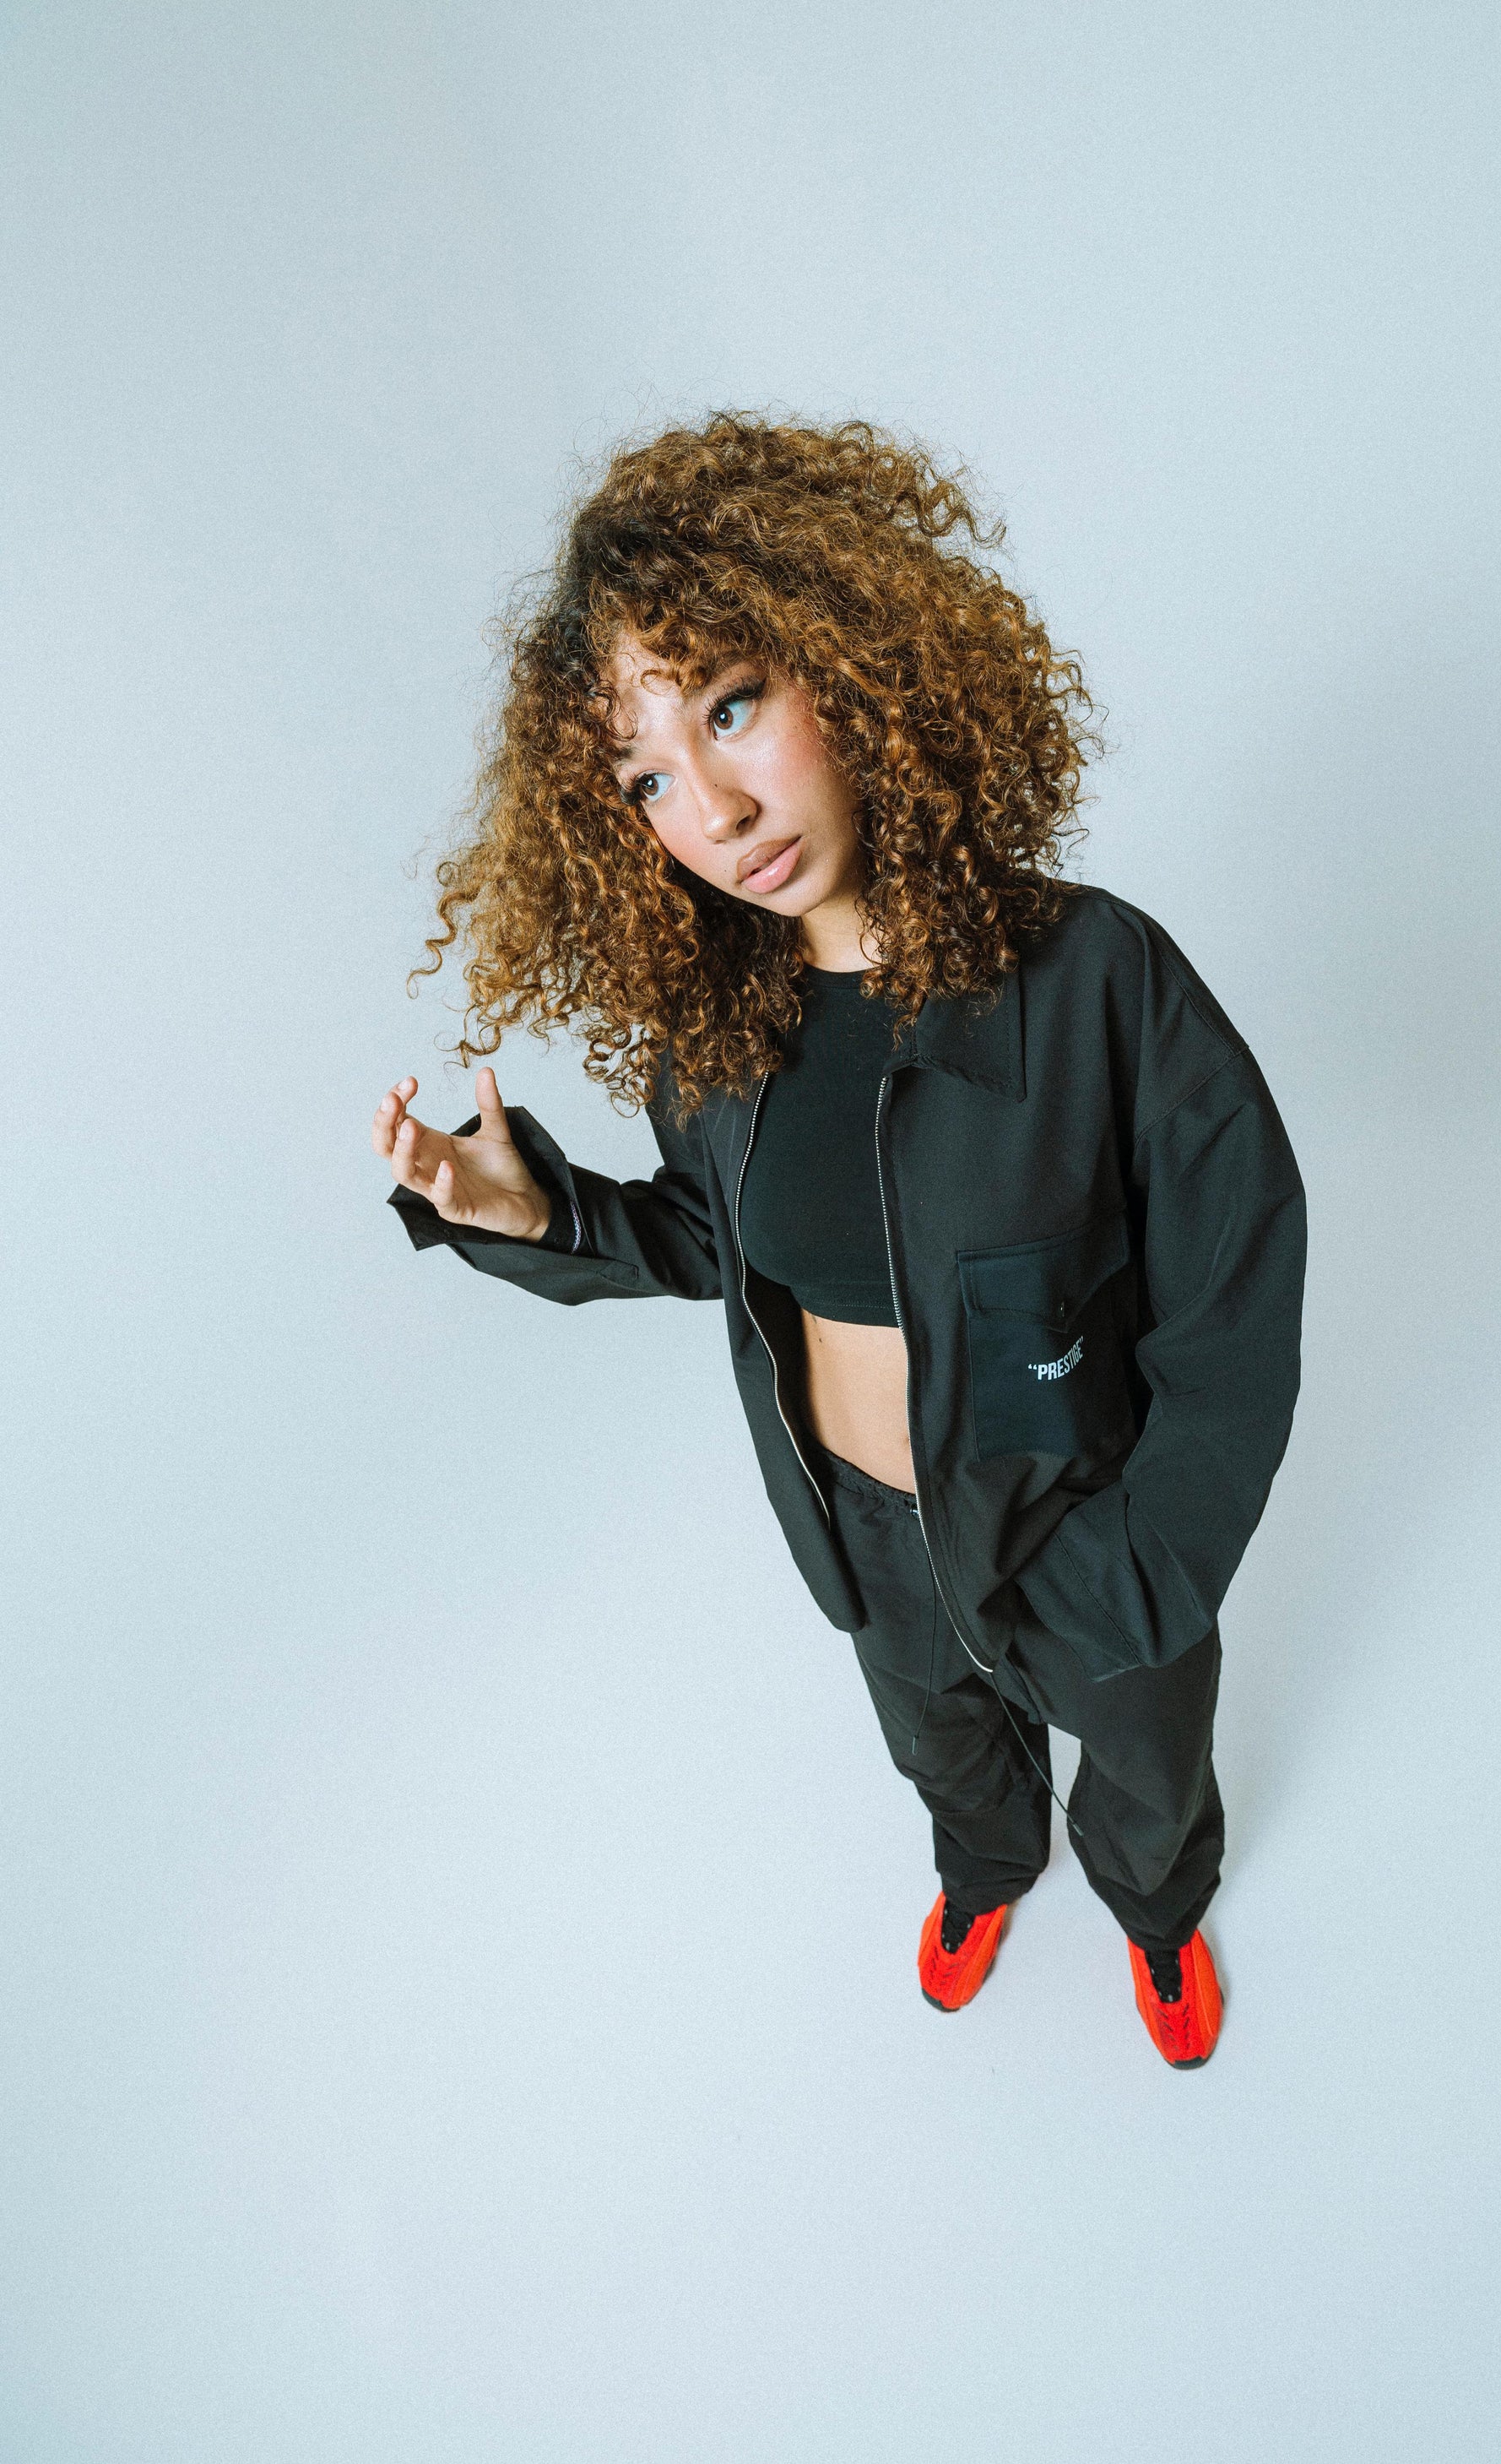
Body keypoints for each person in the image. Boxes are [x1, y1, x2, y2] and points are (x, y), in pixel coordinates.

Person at [372, 415, 1306, 2069]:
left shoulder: (1092, 976)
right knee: (943, 1749)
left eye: (731, 704)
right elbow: (716, 1241)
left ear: (853, 659)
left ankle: (1157, 1907)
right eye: (648, 776)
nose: (715, 806)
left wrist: (1144, 1564)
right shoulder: (713, 1036)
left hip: (1076, 1513)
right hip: (866, 1531)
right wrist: (537, 1211)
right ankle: (985, 1871)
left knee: (1145, 1750)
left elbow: (1231, 1294)